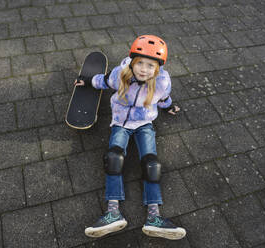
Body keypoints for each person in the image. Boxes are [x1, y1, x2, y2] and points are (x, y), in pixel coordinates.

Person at [75, 35, 186, 240]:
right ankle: (113, 213)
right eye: (140, 63)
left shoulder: (161, 82)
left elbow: (163, 98)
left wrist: (169, 106)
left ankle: (154, 217)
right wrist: (89, 81)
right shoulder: (121, 75)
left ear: (158, 68)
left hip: (144, 123)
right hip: (120, 123)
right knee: (113, 158)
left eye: (150, 65)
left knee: (151, 164)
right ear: (132, 62)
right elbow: (104, 81)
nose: (144, 69)